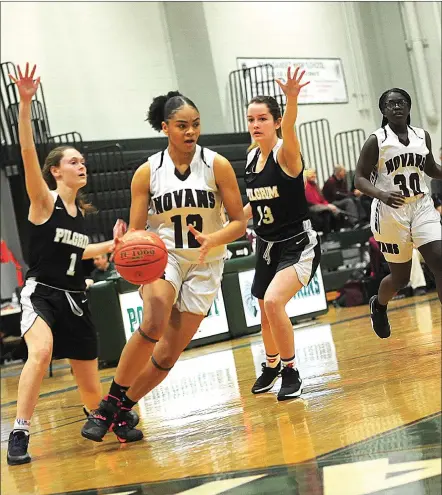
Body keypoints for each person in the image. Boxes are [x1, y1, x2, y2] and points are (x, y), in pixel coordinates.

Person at [81, 91, 246, 442]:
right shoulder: (147, 172)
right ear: (165, 127)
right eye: (182, 126)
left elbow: (238, 223)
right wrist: (126, 241)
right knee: (154, 322)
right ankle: (107, 405)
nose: (191, 132)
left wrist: (213, 239)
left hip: (206, 262)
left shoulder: (217, 165)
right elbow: (139, 229)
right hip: (164, 257)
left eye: (196, 125)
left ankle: (123, 408)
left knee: (168, 354)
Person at [6, 64, 137, 466]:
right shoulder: (43, 201)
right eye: (74, 161)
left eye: (83, 161)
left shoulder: (78, 213)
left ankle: (103, 416)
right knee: (41, 352)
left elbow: (76, 252)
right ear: (56, 170)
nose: (82, 166)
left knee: (89, 383)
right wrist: (25, 105)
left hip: (75, 299)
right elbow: (28, 152)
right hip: (41, 293)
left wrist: (110, 246)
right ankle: (19, 431)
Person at [243, 67, 321, 401]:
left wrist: (291, 100)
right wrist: (223, 225)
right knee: (264, 309)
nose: (256, 124)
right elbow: (253, 205)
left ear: (275, 122)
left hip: (298, 244)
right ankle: (272, 364)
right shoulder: (250, 158)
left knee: (274, 302)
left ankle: (291, 372)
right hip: (266, 245)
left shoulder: (286, 155)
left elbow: (290, 128)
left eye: (262, 118)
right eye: (251, 119)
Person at [355, 87, 442, 338]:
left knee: (439, 259)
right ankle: (379, 305)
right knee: (401, 278)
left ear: (409, 107)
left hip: (421, 206)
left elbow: (431, 168)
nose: (397, 106)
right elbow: (359, 179)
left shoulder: (421, 136)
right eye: (391, 104)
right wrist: (381, 194)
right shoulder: (376, 140)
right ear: (383, 110)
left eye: (401, 102)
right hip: (390, 211)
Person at [304, 169, 339, 234]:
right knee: (328, 210)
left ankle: (336, 232)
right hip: (312, 206)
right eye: (311, 174)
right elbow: (311, 201)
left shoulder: (315, 185)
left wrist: (327, 204)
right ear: (307, 176)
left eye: (314, 174)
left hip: (320, 206)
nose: (314, 176)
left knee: (334, 211)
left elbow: (322, 198)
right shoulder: (306, 186)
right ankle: (327, 234)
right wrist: (327, 206)